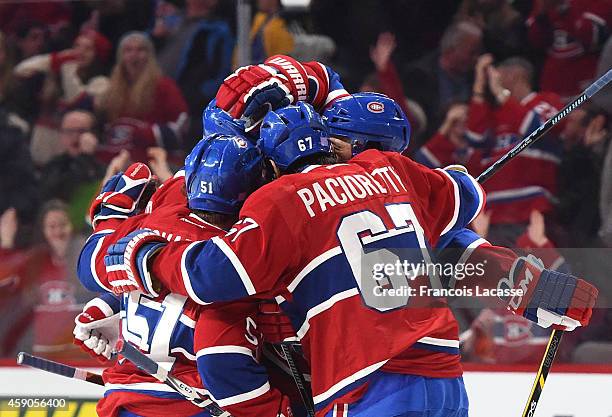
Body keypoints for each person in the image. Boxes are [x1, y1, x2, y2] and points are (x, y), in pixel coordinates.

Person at [102, 102, 597, 417]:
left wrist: (146, 257)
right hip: (443, 374)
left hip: (364, 385)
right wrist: (529, 286)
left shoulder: (278, 202)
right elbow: (462, 202)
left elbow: (214, 277)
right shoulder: (390, 170)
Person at [75, 137, 293, 417]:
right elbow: (221, 355)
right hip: (186, 406)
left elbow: (93, 263)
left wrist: (110, 303)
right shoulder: (227, 257)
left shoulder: (147, 222)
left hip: (124, 400)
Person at [465, 55, 564, 244]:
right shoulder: (497, 113)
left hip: (530, 210)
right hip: (493, 216)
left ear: (516, 74)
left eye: (497, 72)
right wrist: (478, 88)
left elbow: (537, 130)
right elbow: (474, 140)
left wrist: (501, 94)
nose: (492, 77)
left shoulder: (546, 102)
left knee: (536, 271)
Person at [99, 31, 188, 164]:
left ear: (150, 55)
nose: (134, 55)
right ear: (121, 56)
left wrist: (145, 133)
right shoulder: (111, 90)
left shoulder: (164, 86)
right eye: (128, 50)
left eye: (140, 49)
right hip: (117, 160)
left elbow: (181, 126)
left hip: (154, 160)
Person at [154, 0, 233, 148]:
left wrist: (199, 95)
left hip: (193, 103)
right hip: (161, 93)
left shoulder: (217, 29)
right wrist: (156, 37)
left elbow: (221, 70)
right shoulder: (172, 21)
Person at [526, 0, 612, 101]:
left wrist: (565, 8)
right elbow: (535, 41)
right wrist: (542, 14)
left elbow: (593, 38)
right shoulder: (545, 3)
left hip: (586, 90)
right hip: (551, 87)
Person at [39, 110, 105, 229]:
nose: (75, 137)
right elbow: (58, 193)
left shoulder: (105, 164)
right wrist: (84, 158)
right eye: (69, 132)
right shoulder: (54, 165)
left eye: (81, 131)